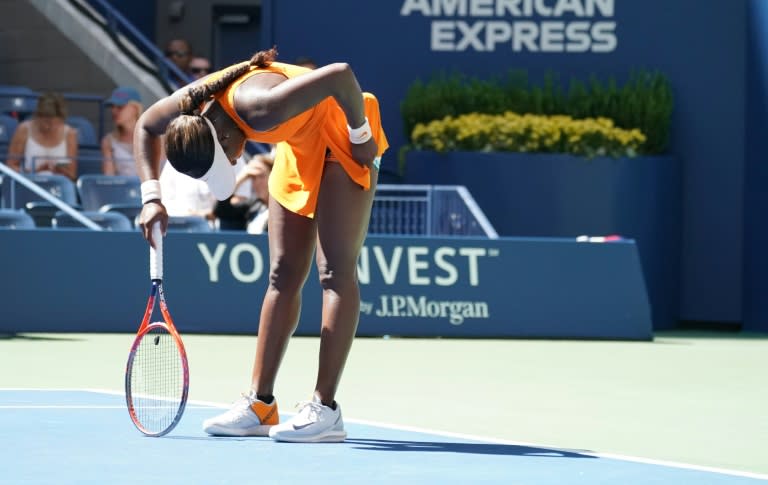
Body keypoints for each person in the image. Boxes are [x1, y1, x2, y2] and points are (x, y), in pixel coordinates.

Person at [134, 46, 387, 443]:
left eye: (226, 158)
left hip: (344, 129)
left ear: (224, 133)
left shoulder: (261, 109)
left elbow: (341, 74)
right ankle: (260, 404)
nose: (233, 163)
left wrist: (360, 134)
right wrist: (152, 198)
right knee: (281, 273)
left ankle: (326, 408)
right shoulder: (192, 106)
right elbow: (146, 126)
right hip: (297, 144)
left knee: (334, 271)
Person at [4, 92, 78, 180]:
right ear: (37, 116)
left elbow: (72, 175)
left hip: (59, 186)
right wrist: (35, 171)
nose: (49, 127)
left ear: (61, 119)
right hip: (30, 183)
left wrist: (59, 170)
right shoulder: (23, 129)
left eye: (55, 123)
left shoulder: (70, 134)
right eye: (46, 122)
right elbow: (10, 167)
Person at [213, 153, 274, 232]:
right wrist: (242, 176)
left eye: (261, 176)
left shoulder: (285, 208)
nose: (257, 182)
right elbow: (220, 210)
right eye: (252, 177)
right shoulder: (254, 207)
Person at [101, 87, 142, 176]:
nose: (114, 111)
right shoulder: (108, 141)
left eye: (120, 107)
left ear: (134, 109)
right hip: (121, 189)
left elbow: (160, 175)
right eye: (112, 107)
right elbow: (109, 178)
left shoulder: (155, 137)